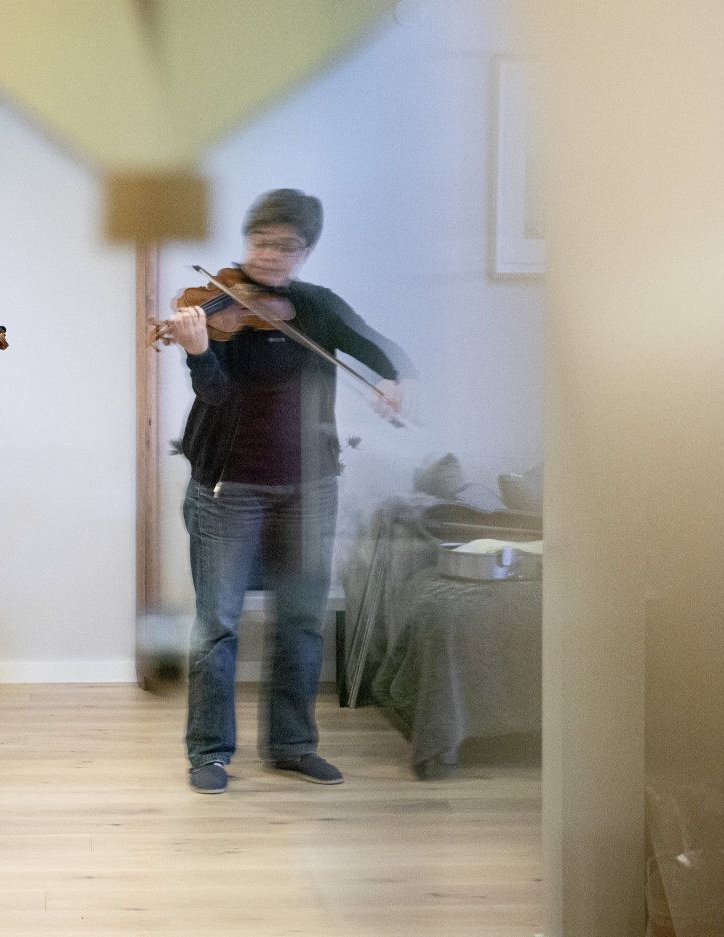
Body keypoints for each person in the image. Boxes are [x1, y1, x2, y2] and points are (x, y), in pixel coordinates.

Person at [168, 188, 416, 794]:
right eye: (260, 241)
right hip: (228, 486)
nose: (270, 256)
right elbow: (216, 395)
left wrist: (392, 379)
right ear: (246, 241)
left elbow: (379, 348)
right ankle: (209, 752)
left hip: (310, 488)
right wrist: (199, 352)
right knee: (218, 623)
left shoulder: (317, 306)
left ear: (305, 253)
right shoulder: (215, 307)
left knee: (302, 620)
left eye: (286, 246)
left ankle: (292, 745)